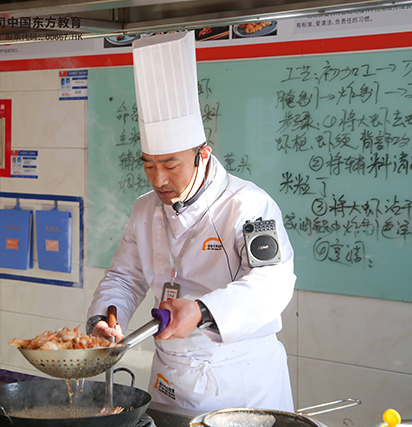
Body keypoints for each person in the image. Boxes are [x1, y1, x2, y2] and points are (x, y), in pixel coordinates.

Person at [86, 31, 296, 416]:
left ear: (203, 155)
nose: (159, 179)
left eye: (171, 165)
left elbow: (272, 284)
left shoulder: (248, 205)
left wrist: (201, 310)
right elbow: (125, 277)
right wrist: (106, 317)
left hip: (239, 381)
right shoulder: (145, 209)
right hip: (169, 376)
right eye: (149, 165)